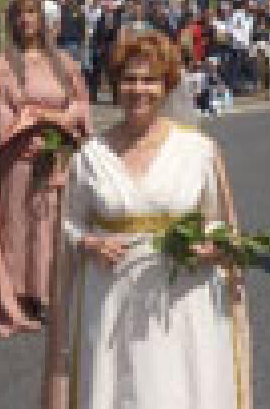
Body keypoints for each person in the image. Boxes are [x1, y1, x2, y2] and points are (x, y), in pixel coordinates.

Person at [42, 31, 251, 408]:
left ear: (167, 84)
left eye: (150, 79)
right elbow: (68, 227)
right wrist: (90, 242)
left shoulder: (198, 151)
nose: (139, 89)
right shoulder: (90, 156)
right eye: (129, 79)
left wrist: (212, 245)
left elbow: (222, 223)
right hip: (111, 301)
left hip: (182, 301)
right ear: (116, 85)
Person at [0, 0, 90, 338]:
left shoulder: (63, 61)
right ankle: (20, 294)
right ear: (13, 21)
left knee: (50, 224)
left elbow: (80, 102)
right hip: (19, 154)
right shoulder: (4, 64)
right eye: (20, 14)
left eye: (32, 13)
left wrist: (56, 121)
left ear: (42, 19)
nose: (27, 20)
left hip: (56, 154)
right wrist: (24, 133)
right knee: (18, 223)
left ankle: (46, 292)